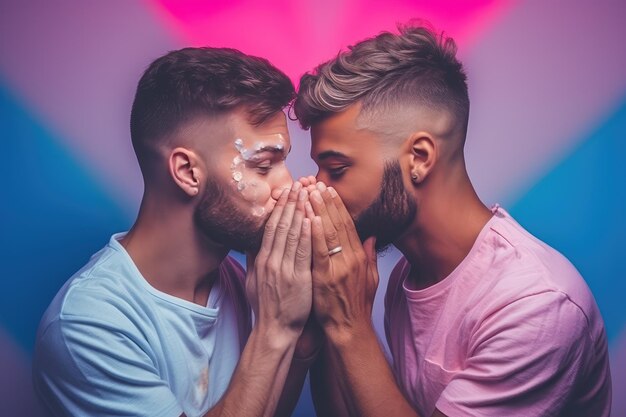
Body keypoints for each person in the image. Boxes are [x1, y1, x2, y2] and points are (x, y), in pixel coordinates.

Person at [293, 23, 612, 416]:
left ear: (420, 158)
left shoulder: (535, 306)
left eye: (337, 169)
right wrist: (327, 316)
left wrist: (350, 325)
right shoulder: (408, 275)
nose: (315, 190)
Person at [33, 47, 316, 417]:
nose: (287, 185)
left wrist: (303, 339)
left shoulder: (250, 282)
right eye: (263, 166)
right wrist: (276, 327)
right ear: (187, 172)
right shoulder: (87, 325)